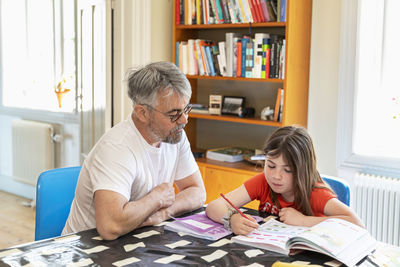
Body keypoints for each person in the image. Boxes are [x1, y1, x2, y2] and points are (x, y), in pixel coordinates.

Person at [63, 61, 206, 240]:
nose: (184, 120)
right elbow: (110, 227)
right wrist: (156, 199)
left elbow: (197, 191)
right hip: (86, 250)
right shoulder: (117, 148)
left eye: (186, 109)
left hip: (138, 241)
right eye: (174, 114)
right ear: (142, 113)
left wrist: (165, 212)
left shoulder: (175, 134)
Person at [206, 125, 363, 235]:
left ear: (302, 170)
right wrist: (231, 219)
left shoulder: (315, 193)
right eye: (271, 165)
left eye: (287, 170)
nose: (276, 176)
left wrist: (303, 221)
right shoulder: (263, 181)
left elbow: (356, 224)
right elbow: (214, 206)